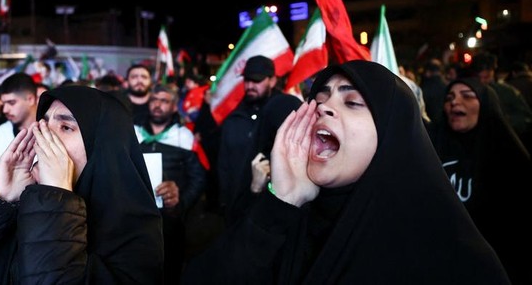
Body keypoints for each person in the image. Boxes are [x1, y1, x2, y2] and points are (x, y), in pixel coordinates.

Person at [183, 60, 510, 284]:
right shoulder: (287, 222)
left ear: (391, 133)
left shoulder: (457, 260)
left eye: (352, 103)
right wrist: (281, 201)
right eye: (318, 99)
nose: (323, 107)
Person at [0, 85, 164, 284]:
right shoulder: (21, 205)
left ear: (102, 150)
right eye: (44, 123)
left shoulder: (135, 236)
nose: (42, 134)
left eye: (66, 128)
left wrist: (56, 198)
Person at [428, 77, 531, 284]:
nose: (455, 102)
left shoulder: (508, 155)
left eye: (467, 96)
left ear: (486, 106)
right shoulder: (432, 147)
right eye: (449, 97)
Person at [134, 83, 206, 284]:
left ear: (174, 106)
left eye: (164, 101)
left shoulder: (184, 137)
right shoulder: (132, 132)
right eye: (154, 100)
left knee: (169, 269)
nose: (158, 105)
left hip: (170, 221)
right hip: (136, 216)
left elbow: (198, 179)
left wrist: (180, 204)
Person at [216, 55, 301, 223]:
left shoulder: (285, 113)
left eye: (256, 80)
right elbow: (223, 165)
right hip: (236, 209)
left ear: (272, 80)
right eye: (247, 80)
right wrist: (225, 201)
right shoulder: (234, 118)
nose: (250, 86)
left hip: (273, 210)